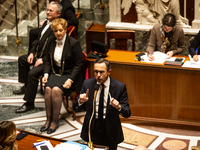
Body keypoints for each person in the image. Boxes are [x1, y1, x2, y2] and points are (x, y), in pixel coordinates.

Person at [13, 2, 62, 113]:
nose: (48, 12)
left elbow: (57, 50)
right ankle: (27, 87)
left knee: (33, 73)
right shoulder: (46, 23)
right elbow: (37, 41)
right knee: (22, 60)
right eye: (48, 10)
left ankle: (29, 103)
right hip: (38, 55)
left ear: (58, 14)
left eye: (51, 11)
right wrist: (31, 53)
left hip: (49, 61)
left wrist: (43, 59)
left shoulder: (59, 28)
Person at [73, 58, 131, 150]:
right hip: (92, 127)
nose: (98, 75)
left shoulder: (120, 87)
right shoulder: (87, 84)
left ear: (109, 72)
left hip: (110, 128)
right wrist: (80, 101)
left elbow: (127, 113)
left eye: (101, 72)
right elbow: (75, 108)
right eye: (95, 72)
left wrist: (119, 107)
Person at [40, 18, 83, 134]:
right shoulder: (50, 41)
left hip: (69, 74)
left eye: (60, 30)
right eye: (55, 31)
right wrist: (45, 74)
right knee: (48, 89)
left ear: (65, 30)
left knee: (56, 90)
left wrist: (70, 80)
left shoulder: (74, 43)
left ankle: (54, 121)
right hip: (56, 72)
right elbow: (47, 60)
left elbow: (79, 64)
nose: (58, 33)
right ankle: (48, 120)